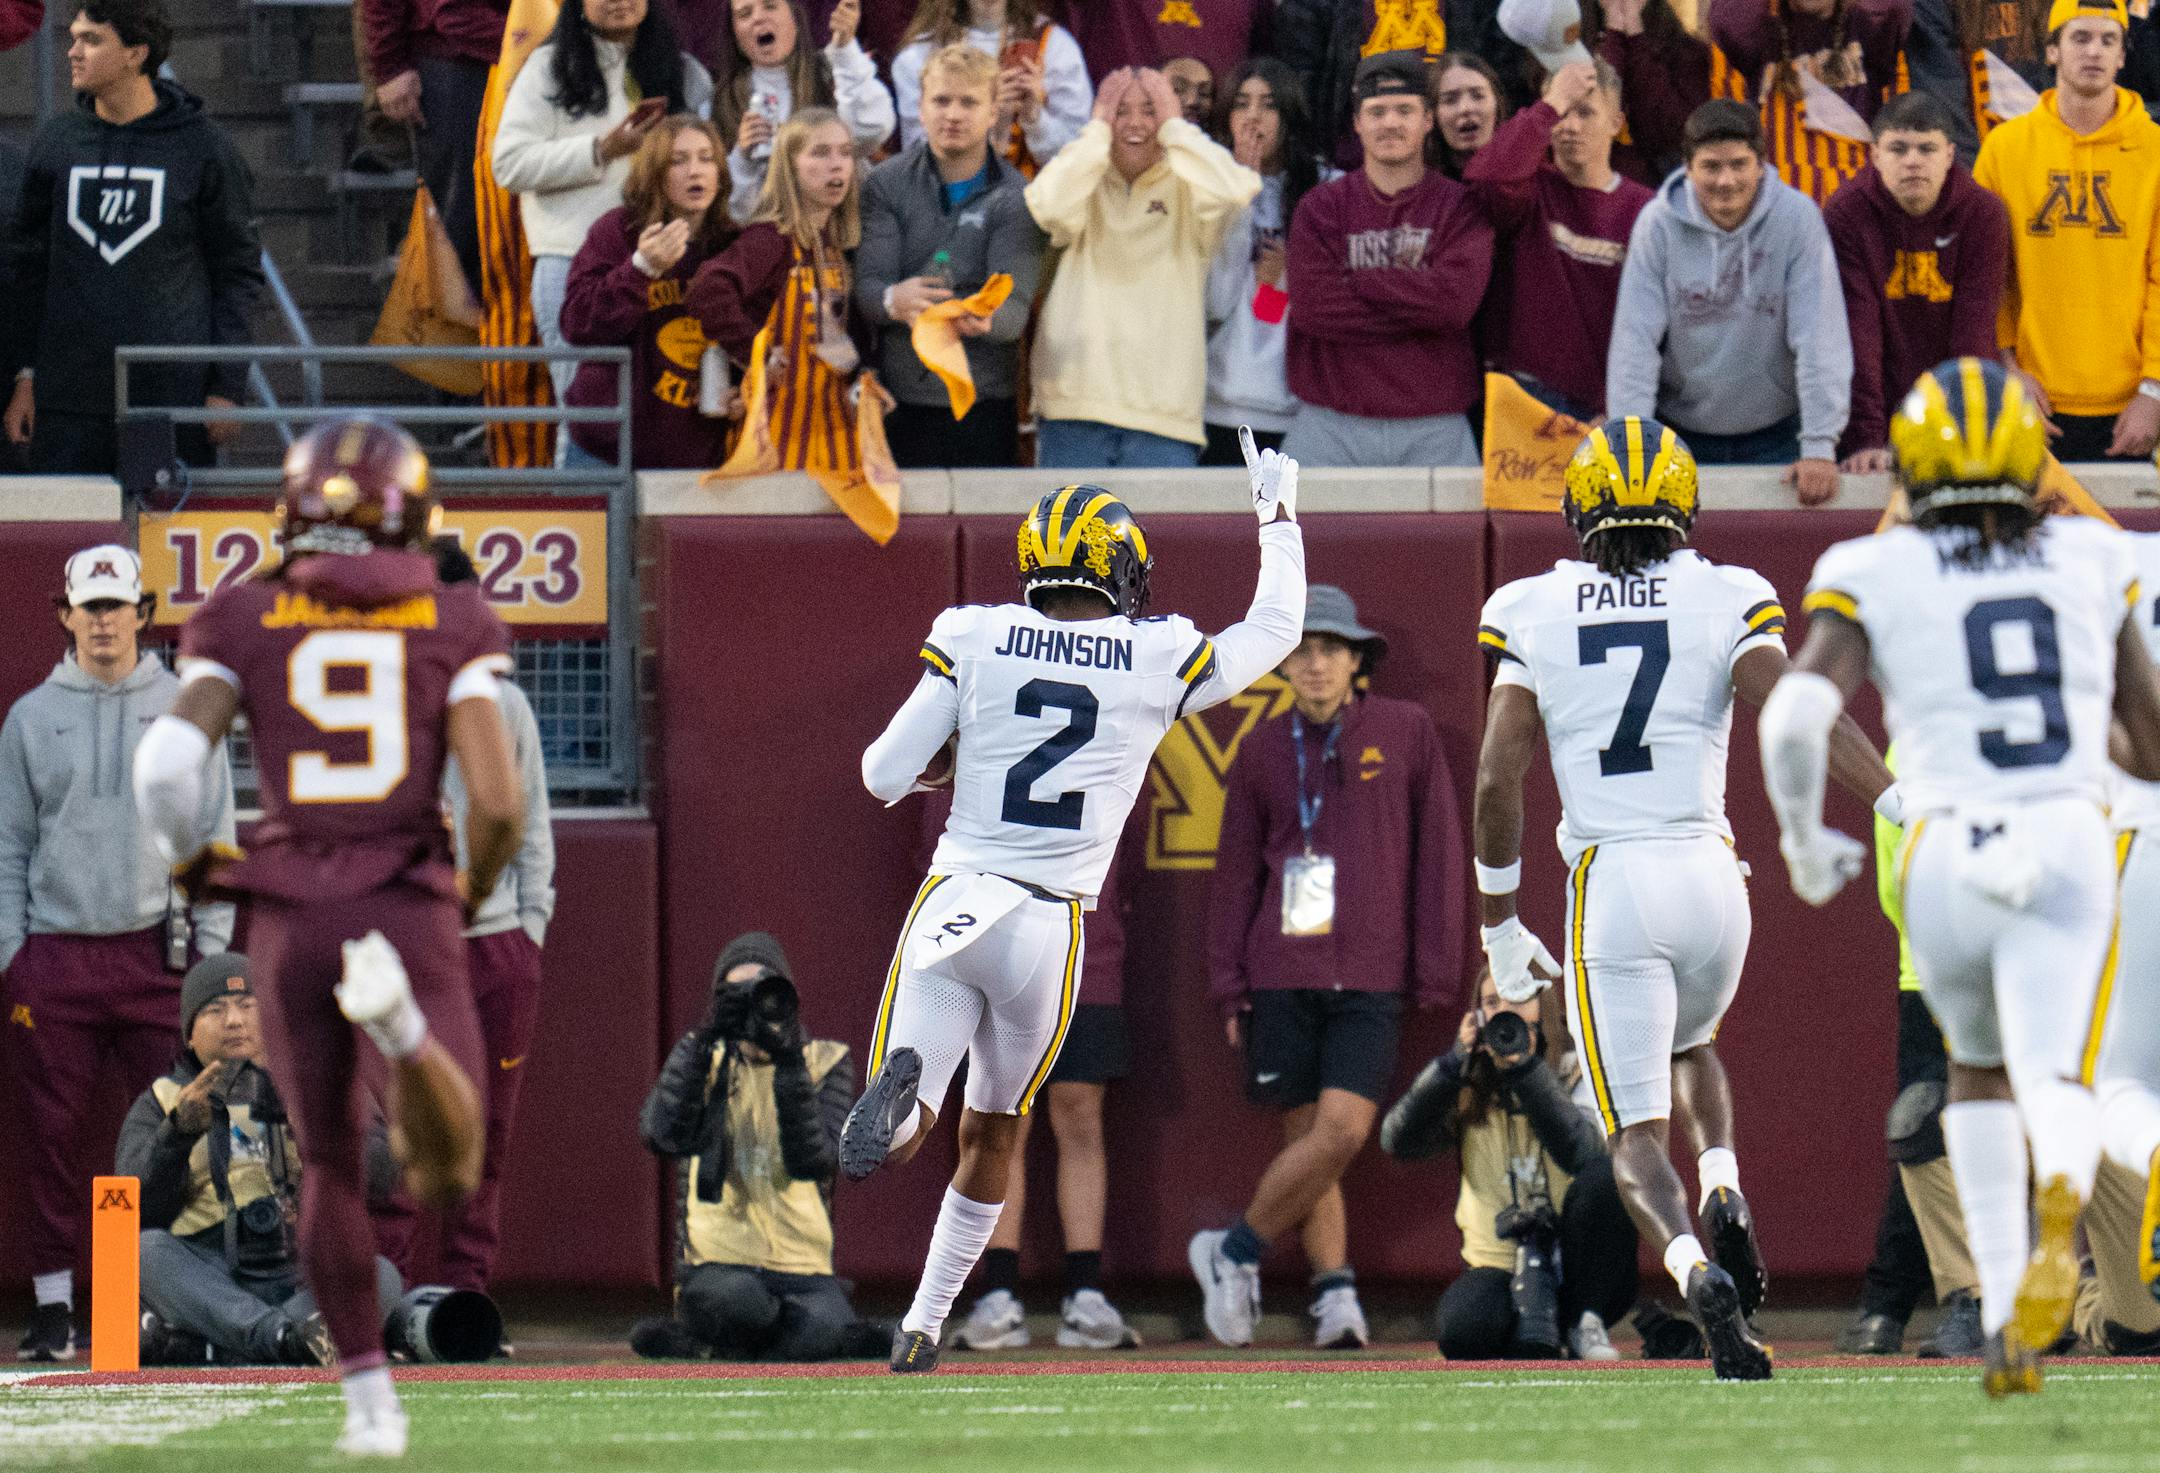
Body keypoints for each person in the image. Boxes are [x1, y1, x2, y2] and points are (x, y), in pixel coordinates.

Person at [843, 437, 1308, 1373]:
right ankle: (923, 1325)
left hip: (959, 894)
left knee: (916, 1121)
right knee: (998, 1127)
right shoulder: (1154, 653)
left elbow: (881, 772)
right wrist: (1277, 512)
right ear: (1119, 573)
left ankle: (892, 1107)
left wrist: (951, 761)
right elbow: (1276, 630)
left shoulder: (972, 633)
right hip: (1053, 928)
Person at [1759, 355, 2160, 1395]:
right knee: (2063, 1070)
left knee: (1974, 1070)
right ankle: (2061, 1216)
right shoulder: (2087, 557)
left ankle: (1996, 1293)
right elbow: (2152, 748)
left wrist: (1805, 840)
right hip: (2070, 839)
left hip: (1944, 848)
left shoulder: (1878, 567)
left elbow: (1797, 712)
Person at [132, 416, 526, 1456]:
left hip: (289, 904)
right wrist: (472, 888)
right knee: (447, 1166)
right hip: (402, 888)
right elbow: (497, 801)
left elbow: (166, 774)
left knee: (329, 1169)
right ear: (409, 509)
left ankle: (367, 1407)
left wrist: (193, 865)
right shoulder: (451, 611)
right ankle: (398, 1030)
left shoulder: (242, 611)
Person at [1473, 414, 1896, 1380]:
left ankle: (1691, 1264)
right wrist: (1895, 798)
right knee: (1692, 1044)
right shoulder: (1727, 591)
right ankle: (1727, 1182)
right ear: (1683, 507)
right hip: (1714, 878)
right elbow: (1791, 710)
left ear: (1578, 508)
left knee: (1631, 1135)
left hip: (1614, 882)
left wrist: (1500, 921)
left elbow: (1501, 775)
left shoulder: (1530, 605)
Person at [1196, 585, 1461, 1350]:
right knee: (1305, 1138)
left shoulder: (1405, 732)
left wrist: (1436, 967)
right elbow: (1235, 874)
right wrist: (1229, 981)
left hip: (1371, 974)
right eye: (1302, 650)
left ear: (1357, 663)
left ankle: (1234, 1249)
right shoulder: (1260, 748)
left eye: (1330, 650)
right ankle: (1335, 1292)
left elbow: (1437, 853)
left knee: (1343, 1130)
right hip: (1280, 971)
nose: (1314, 664)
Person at [1, 544, 236, 1363]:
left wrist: (209, 955)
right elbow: (8, 843)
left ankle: (146, 1300)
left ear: (143, 612)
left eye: (117, 605)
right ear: (65, 614)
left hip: (154, 950)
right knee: (49, 1136)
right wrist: (13, 953)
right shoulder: (31, 716)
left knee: (166, 1135)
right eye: (89, 606)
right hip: (56, 954)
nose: (104, 621)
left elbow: (215, 833)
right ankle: (57, 1306)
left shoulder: (183, 707)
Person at [2, 0, 262, 476]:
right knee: (71, 547)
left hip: (168, 399)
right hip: (66, 401)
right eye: (73, 38)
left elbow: (238, 272)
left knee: (160, 536)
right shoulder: (56, 141)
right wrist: (25, 376)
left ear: (136, 54)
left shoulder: (204, 148)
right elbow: (26, 269)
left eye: (92, 40)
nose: (73, 52)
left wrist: (227, 384)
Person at [120, 954, 405, 1367]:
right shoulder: (162, 1099)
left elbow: (382, 1178)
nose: (234, 1021)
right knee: (143, 1252)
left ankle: (231, 1345)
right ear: (189, 1035)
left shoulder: (317, 1082)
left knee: (379, 1274)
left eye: (248, 1007)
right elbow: (132, 1210)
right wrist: (177, 1134)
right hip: (211, 1269)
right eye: (215, 1011)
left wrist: (319, 1133)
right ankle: (287, 1338)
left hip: (301, 1267)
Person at [630, 932, 888, 1362]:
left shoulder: (824, 1060)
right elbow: (661, 1135)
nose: (751, 1006)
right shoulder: (702, 1056)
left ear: (784, 997)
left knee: (812, 1330)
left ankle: (701, 1344)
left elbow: (817, 1161)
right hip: (719, 1264)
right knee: (741, 1305)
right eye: (736, 995)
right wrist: (705, 1039)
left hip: (802, 1267)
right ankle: (814, 1336)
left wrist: (788, 1061)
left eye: (761, 992)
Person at [1382, 966, 1639, 1361]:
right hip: (1500, 1264)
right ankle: (1526, 1329)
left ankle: (1584, 1321)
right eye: (1491, 1003)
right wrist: (1451, 1067)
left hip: (1579, 1267)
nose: (1505, 1012)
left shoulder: (1579, 1070)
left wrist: (1526, 1072)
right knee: (1464, 1334)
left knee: (1608, 1175)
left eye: (1516, 999)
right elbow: (1398, 1140)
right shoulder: (1469, 1084)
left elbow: (1587, 1157)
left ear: (1544, 1009)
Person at [1606, 100, 1851, 504]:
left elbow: (1819, 335)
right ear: (1688, 167)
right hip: (1678, 435)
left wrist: (1820, 445)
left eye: (1739, 164)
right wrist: (1634, 450)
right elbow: (1635, 342)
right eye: (1711, 167)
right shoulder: (1658, 225)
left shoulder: (1798, 219)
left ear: (1761, 164)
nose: (1726, 180)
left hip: (1778, 435)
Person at [949, 840, 1141, 1352]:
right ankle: (999, 1294)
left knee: (1080, 1115)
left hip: (1086, 953)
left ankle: (1085, 1293)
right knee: (999, 1122)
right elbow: (943, 857)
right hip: (999, 960)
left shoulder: (1104, 757)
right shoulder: (968, 760)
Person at [1025, 65, 1259, 468]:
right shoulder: (1084, 177)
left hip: (1164, 416)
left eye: (1150, 109)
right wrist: (1096, 130)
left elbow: (1238, 189)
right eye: (1120, 109)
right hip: (1073, 407)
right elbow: (1044, 205)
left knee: (1154, 535)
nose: (1135, 123)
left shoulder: (1191, 185)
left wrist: (1174, 126)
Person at [432, 539, 554, 1295]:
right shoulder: (381, 696)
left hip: (495, 944)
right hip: (412, 942)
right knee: (397, 1130)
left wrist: (528, 928)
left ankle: (468, 1292)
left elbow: (531, 824)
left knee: (490, 1133)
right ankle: (388, 1295)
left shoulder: (505, 702)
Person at [490, 0, 715, 405]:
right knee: (587, 421)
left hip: (666, 267)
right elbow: (508, 165)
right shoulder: (547, 68)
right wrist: (600, 150)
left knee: (661, 415)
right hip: (572, 263)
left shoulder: (683, 71)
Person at [1833, 751, 1983, 1357]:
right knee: (1927, 1133)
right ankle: (1964, 1301)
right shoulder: (1912, 753)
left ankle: (1888, 1305)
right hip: (1939, 972)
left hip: (1964, 967)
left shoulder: (1912, 748)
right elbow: (1900, 885)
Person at [1283, 51, 1493, 469]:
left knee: (1451, 538)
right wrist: (1416, 301)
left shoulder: (1461, 207)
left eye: (1404, 110)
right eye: (1376, 111)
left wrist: (1360, 280)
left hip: (1435, 425)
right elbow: (1313, 311)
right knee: (1288, 535)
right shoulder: (1320, 207)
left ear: (1428, 120)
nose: (1391, 123)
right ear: (1357, 123)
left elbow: (1452, 306)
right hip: (1329, 422)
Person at [1973, 0, 2160, 463]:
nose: (2094, 52)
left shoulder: (2154, 152)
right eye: (2080, 38)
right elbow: (1989, 275)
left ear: (2122, 56)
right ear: (2052, 51)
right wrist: (2007, 368)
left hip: (2131, 406)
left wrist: (2154, 391)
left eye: (2107, 40)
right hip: (2031, 399)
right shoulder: (2004, 149)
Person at [854, 42, 1046, 469]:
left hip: (983, 402)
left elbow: (1014, 307)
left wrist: (985, 319)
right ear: (920, 107)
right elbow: (867, 288)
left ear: (994, 111)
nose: (953, 114)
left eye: (969, 102)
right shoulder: (885, 184)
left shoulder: (1018, 197)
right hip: (897, 399)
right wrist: (893, 300)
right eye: (941, 100)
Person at [1823, 90, 2009, 471]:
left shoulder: (1983, 213)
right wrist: (1867, 438)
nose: (1912, 162)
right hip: (1877, 400)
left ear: (1949, 155)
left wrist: (1965, 432)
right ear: (1874, 155)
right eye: (1898, 149)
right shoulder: (1847, 212)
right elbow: (1859, 332)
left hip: (1953, 403)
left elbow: (1973, 331)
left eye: (1927, 149)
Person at [687, 109, 877, 475]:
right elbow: (708, 289)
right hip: (774, 437)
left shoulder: (835, 244)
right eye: (820, 153)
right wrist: (753, 354)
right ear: (789, 165)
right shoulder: (770, 239)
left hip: (833, 430)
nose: (836, 166)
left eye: (844, 153)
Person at [1465, 58, 1655, 420]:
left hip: (1606, 402)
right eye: (1562, 113)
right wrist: (1549, 106)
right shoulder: (1530, 188)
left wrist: (1619, 406)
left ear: (1616, 123)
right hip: (1523, 395)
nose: (1569, 126)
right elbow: (1487, 180)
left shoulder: (1645, 210)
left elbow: (1654, 325)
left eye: (1585, 113)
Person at [561, 115, 740, 470]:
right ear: (654, 173)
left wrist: (745, 389)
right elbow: (577, 325)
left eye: (707, 159)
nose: (696, 171)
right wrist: (641, 268)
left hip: (694, 454)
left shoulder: (732, 245)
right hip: (607, 450)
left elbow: (753, 335)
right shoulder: (618, 231)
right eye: (679, 161)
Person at [1202, 57, 1325, 463]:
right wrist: (1238, 198)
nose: (1253, 116)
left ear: (1288, 115)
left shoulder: (1326, 188)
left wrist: (1286, 280)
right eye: (1241, 103)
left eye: (1269, 104)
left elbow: (1276, 305)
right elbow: (1216, 299)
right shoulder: (1203, 187)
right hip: (1219, 399)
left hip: (1298, 406)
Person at [359, 0, 507, 295]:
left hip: (539, 48)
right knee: (459, 226)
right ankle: (449, 334)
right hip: (455, 57)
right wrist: (389, 65)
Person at [1707, 0, 1914, 205]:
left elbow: (1894, 8)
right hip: (1779, 203)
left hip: (1856, 207)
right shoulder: (1757, 29)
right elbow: (1725, 18)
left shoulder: (1869, 27)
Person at [713, 0, 894, 226]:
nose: (758, 18)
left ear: (795, 19)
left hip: (841, 232)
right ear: (735, 34)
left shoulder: (831, 70)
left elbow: (873, 129)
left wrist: (845, 48)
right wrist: (743, 159)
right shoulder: (721, 103)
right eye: (744, 14)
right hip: (770, 240)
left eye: (770, 6)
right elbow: (734, 214)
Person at [890, 0, 1092, 175]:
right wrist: (991, 117)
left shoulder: (1054, 45)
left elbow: (1079, 158)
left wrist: (1035, 119)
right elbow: (918, 161)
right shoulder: (919, 55)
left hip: (1037, 207)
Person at [1593, 0, 1713, 179]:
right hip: (1594, 173)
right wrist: (1614, 32)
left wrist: (1635, 34)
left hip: (1664, 175)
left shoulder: (1688, 51)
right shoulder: (1574, 38)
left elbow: (1671, 129)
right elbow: (1597, 111)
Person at [1432, 50, 1507, 179]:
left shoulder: (1529, 176)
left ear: (1497, 104)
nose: (1465, 108)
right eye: (1450, 100)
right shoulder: (1419, 185)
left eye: (1478, 96)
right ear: (1432, 115)